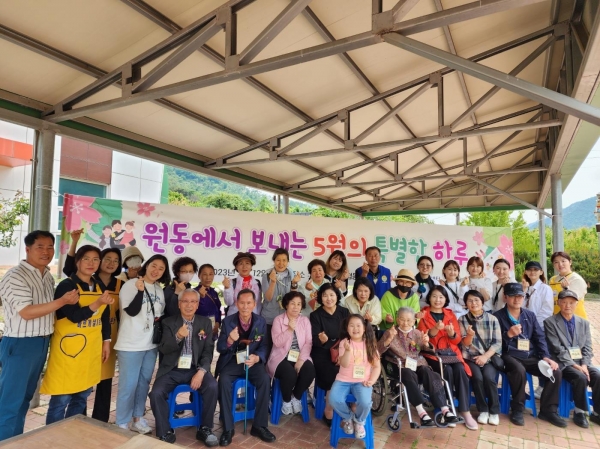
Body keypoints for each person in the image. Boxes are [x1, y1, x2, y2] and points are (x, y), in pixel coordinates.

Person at [0, 231, 79, 441]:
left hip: (41, 343)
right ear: (27, 249)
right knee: (10, 402)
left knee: (24, 398)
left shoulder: (46, 276)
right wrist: (63, 301)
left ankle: (14, 441)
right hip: (20, 344)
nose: (46, 252)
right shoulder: (16, 276)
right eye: (40, 247)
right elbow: (26, 312)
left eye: (50, 247)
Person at [41, 245, 113, 424]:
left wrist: (106, 341)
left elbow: (104, 316)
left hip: (90, 350)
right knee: (61, 399)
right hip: (67, 352)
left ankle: (72, 432)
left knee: (82, 397)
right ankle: (53, 435)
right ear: (78, 262)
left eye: (95, 259)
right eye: (86, 259)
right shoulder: (67, 285)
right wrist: (97, 303)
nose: (91, 263)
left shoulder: (99, 285)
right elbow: (74, 316)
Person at [62, 233, 124, 422]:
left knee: (105, 381)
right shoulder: (89, 280)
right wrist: (74, 242)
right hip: (85, 335)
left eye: (116, 260)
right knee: (84, 379)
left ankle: (100, 420)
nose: (111, 263)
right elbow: (69, 268)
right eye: (107, 259)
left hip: (108, 335)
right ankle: (79, 417)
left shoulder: (121, 284)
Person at [149, 289, 218, 445]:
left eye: (193, 302)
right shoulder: (168, 322)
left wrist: (201, 372)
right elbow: (164, 349)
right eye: (185, 301)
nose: (189, 305)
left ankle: (205, 428)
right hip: (172, 369)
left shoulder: (205, 323)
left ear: (198, 305)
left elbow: (208, 351)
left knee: (212, 386)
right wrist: (178, 336)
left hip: (195, 368)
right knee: (156, 393)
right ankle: (165, 431)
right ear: (179, 304)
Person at [493, 283, 566, 428]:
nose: (517, 299)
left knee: (555, 371)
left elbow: (539, 338)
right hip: (509, 355)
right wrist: (508, 335)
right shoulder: (497, 317)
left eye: (520, 296)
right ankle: (517, 409)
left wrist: (545, 356)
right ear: (505, 297)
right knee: (519, 370)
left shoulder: (529, 315)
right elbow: (494, 344)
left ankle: (548, 410)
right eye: (513, 296)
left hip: (530, 355)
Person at [114, 254, 170, 433]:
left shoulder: (159, 290)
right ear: (146, 266)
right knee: (128, 385)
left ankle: (137, 418)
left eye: (161, 268)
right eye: (154, 266)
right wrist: (139, 291)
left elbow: (159, 316)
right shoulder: (130, 285)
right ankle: (122, 422)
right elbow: (131, 311)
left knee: (143, 383)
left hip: (150, 345)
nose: (156, 271)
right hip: (130, 344)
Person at [378, 307, 460, 427]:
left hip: (417, 364)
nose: (405, 323)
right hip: (398, 365)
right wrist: (389, 338)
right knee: (407, 374)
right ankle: (422, 413)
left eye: (409, 320)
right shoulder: (390, 332)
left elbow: (428, 349)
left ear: (413, 321)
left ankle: (445, 409)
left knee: (430, 373)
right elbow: (378, 350)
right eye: (402, 319)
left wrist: (426, 343)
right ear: (397, 319)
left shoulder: (417, 333)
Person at [216, 289, 276, 446]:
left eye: (249, 303)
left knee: (264, 380)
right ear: (236, 303)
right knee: (223, 381)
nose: (245, 306)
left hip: (251, 361)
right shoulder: (227, 321)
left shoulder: (260, 321)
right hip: (232, 361)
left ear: (254, 304)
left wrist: (258, 357)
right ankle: (228, 428)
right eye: (242, 303)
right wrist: (229, 340)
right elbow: (220, 348)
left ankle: (259, 426)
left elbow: (264, 345)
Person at [417, 286, 477, 430]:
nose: (438, 300)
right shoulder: (423, 315)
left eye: (441, 297)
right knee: (447, 370)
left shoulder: (450, 315)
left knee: (460, 369)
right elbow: (421, 340)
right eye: (434, 296)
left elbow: (457, 340)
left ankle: (465, 410)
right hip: (432, 354)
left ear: (445, 299)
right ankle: (445, 408)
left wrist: (451, 334)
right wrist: (435, 329)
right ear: (429, 298)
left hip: (450, 353)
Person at [544, 289, 600, 428]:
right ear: (558, 303)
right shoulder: (550, 322)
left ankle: (597, 413)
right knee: (580, 377)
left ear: (576, 304)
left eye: (571, 302)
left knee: (597, 376)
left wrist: (584, 365)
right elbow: (557, 348)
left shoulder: (583, 323)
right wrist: (576, 366)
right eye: (564, 302)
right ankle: (580, 412)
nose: (567, 305)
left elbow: (587, 347)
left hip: (582, 362)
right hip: (563, 362)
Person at [329, 314, 381, 438]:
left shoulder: (370, 344)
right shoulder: (344, 343)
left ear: (364, 328)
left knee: (365, 402)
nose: (355, 329)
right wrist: (347, 351)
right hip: (343, 380)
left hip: (362, 381)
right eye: (351, 325)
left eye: (358, 325)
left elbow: (376, 366)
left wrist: (372, 380)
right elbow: (344, 364)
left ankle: (359, 421)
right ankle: (348, 417)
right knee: (334, 399)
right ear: (347, 328)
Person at [266, 291, 315, 416]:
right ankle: (286, 400)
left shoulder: (304, 321)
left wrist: (301, 360)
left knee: (310, 371)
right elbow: (277, 343)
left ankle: (296, 397)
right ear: (286, 305)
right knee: (289, 374)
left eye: (299, 304)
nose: (296, 307)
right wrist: (289, 330)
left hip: (300, 356)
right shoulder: (278, 320)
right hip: (281, 357)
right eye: (292, 303)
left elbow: (308, 343)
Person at [458, 290, 502, 426]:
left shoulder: (493, 319)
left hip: (489, 357)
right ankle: (483, 410)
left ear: (482, 302)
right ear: (466, 304)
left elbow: (498, 343)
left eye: (476, 300)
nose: (473, 303)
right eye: (470, 301)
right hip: (470, 357)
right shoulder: (462, 320)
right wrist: (469, 336)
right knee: (477, 378)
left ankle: (494, 411)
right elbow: (464, 344)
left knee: (489, 378)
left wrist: (485, 356)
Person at [310, 283, 350, 426]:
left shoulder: (344, 312)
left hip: (343, 351)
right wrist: (322, 340)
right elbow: (314, 339)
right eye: (325, 295)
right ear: (320, 298)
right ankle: (329, 410)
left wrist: (342, 354)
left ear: (337, 296)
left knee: (352, 370)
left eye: (332, 295)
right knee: (333, 373)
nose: (329, 298)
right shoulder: (315, 315)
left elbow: (350, 335)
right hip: (323, 353)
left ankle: (348, 406)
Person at [261, 248, 301, 354]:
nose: (281, 263)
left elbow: (293, 298)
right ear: (274, 260)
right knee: (268, 348)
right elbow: (268, 298)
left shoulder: (291, 274)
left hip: (285, 319)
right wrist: (273, 282)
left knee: (283, 348)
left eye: (284, 260)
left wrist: (294, 283)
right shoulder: (267, 275)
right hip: (269, 318)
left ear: (288, 262)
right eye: (278, 260)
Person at [549, 251, 588, 319]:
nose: (560, 264)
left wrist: (566, 289)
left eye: (563, 261)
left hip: (575, 319)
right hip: (557, 319)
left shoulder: (576, 279)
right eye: (556, 262)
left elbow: (572, 301)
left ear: (570, 262)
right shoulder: (553, 279)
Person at [223, 252, 262, 316]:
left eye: (247, 263)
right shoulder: (232, 282)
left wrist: (257, 318)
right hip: (234, 318)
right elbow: (229, 302)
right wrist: (227, 288)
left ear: (251, 266)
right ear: (236, 267)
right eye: (241, 264)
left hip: (252, 318)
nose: (244, 266)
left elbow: (258, 304)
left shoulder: (257, 283)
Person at [522, 261, 554, 328]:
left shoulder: (545, 288)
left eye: (536, 270)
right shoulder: (524, 288)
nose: (532, 272)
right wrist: (524, 291)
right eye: (529, 270)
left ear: (541, 272)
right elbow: (520, 307)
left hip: (540, 327)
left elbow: (546, 311)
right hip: (525, 326)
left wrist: (535, 325)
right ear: (526, 272)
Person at [195, 264, 222, 340]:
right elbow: (196, 310)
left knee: (210, 347)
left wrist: (218, 322)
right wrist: (201, 297)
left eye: (211, 274)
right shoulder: (194, 292)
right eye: (205, 274)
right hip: (200, 329)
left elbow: (217, 309)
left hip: (213, 329)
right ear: (199, 276)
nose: (208, 278)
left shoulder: (214, 292)